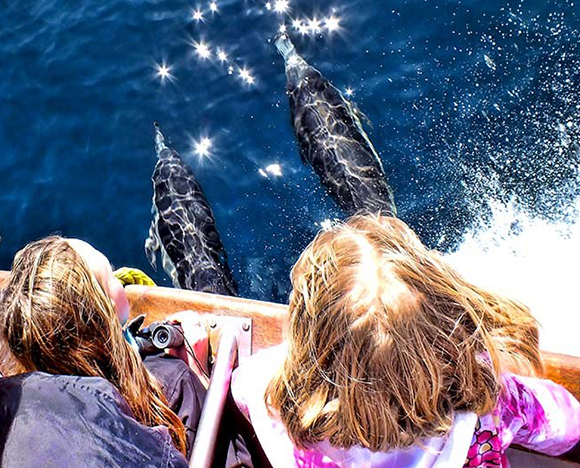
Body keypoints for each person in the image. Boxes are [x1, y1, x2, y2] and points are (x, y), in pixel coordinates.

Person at [231, 214, 580, 468]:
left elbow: (242, 386)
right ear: (445, 326)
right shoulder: (493, 402)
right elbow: (568, 426)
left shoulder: (269, 392)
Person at [0, 236, 258, 467]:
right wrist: (198, 375)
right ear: (109, 308)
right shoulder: (172, 381)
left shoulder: (13, 398)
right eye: (111, 275)